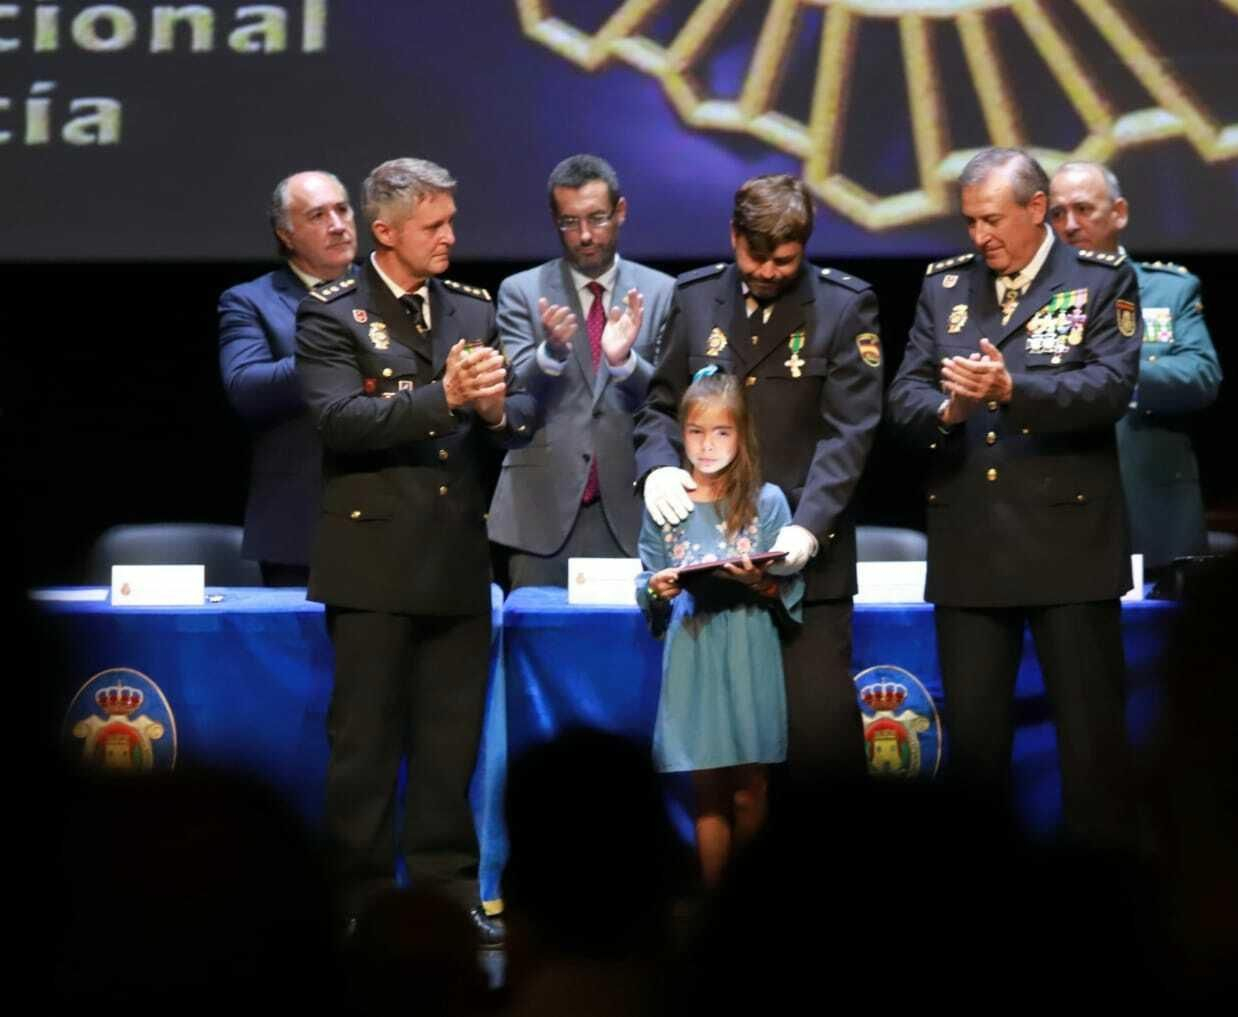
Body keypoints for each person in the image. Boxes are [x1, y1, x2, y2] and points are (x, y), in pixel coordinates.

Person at [295, 157, 539, 943]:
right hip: (371, 566)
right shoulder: (333, 312)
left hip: (457, 561)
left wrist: (501, 412)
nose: (450, 237)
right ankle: (357, 899)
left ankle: (449, 891)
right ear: (386, 230)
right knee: (364, 749)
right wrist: (447, 399)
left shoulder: (472, 309)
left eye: (450, 221)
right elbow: (338, 421)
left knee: (448, 746)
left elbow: (512, 423)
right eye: (434, 226)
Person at [886, 147, 1143, 849]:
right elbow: (904, 394)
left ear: (1037, 210)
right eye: (969, 222)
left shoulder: (1100, 278)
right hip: (972, 542)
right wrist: (950, 411)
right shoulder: (945, 287)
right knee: (975, 756)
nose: (979, 237)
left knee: (1091, 752)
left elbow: (1110, 389)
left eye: (992, 220)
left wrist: (1012, 391)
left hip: (1069, 546)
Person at [634, 173, 882, 787]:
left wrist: (808, 527)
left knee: (820, 741)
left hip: (803, 560)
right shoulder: (693, 299)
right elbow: (659, 408)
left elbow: (849, 432)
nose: (770, 271)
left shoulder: (845, 305)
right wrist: (659, 463)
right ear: (733, 237)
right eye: (757, 256)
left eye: (785, 259)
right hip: (709, 565)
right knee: (725, 756)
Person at [637, 370, 802, 887]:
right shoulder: (668, 503)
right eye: (695, 432)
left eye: (721, 432)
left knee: (750, 786)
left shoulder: (767, 501)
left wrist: (761, 582)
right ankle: (714, 913)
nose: (707, 446)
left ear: (742, 434)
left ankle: (748, 906)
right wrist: (657, 588)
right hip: (695, 646)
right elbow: (647, 575)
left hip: (749, 647)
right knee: (707, 790)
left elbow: (787, 591)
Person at [488, 154, 675, 587]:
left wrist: (624, 362)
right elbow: (510, 396)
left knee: (627, 649)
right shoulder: (522, 291)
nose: (586, 235)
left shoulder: (661, 292)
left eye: (597, 218)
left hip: (631, 510)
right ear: (554, 220)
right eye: (570, 222)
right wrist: (550, 353)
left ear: (621, 212)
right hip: (540, 513)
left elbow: (671, 400)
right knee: (536, 647)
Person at [1050, 161, 1222, 575]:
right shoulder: (1035, 300)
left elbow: (1201, 375)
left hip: (1151, 506)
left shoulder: (1168, 289)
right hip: (1060, 510)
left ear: (1119, 213)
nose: (1069, 224)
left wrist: (1114, 375)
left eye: (1083, 209)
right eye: (1057, 214)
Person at [217, 170, 357, 585]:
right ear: (287, 235)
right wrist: (331, 353)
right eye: (317, 215)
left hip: (398, 522)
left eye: (342, 209)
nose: (337, 225)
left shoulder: (391, 292)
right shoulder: (251, 301)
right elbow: (247, 387)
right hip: (302, 526)